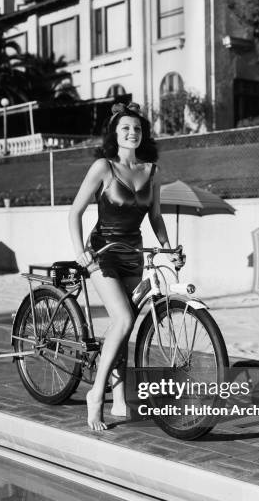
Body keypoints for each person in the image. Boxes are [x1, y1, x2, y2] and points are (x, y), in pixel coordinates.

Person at [69, 102, 182, 431]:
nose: (132, 133)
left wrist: (168, 249)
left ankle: (119, 398)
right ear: (114, 135)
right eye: (125, 129)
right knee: (123, 318)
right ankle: (95, 395)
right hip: (102, 252)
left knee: (124, 327)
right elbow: (74, 212)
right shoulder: (104, 167)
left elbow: (155, 217)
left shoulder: (152, 170)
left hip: (132, 252)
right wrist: (80, 252)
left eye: (137, 128)